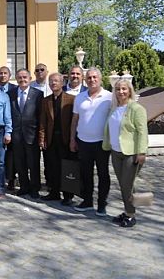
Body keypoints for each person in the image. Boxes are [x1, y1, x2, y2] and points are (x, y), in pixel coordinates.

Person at [102, 79, 148, 228]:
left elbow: (142, 132)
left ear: (129, 90)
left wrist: (141, 152)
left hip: (131, 153)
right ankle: (134, 207)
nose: (121, 92)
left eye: (124, 89)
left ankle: (130, 215)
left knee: (126, 185)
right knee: (125, 184)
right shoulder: (114, 108)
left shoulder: (136, 109)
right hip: (116, 152)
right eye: (118, 89)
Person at [70, 68, 112, 215]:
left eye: (94, 77)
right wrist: (72, 139)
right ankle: (87, 201)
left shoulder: (109, 97)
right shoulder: (79, 98)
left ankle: (102, 203)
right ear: (85, 80)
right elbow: (75, 120)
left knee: (103, 174)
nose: (92, 80)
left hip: (102, 142)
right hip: (83, 141)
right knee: (85, 173)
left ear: (100, 79)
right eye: (89, 78)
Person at [39, 72, 77, 204]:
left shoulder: (71, 99)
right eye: (51, 81)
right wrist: (42, 138)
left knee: (67, 167)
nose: (53, 83)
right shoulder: (46, 101)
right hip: (51, 139)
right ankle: (54, 192)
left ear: (62, 83)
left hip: (65, 139)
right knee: (52, 167)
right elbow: (43, 122)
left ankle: (68, 196)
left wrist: (74, 139)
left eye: (56, 81)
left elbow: (74, 120)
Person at [8, 69, 43, 198]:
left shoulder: (38, 94)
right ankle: (24, 186)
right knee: (20, 163)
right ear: (16, 79)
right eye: (20, 77)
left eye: (25, 77)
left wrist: (40, 136)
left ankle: (35, 188)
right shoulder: (10, 93)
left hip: (31, 135)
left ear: (29, 78)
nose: (22, 79)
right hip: (16, 135)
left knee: (33, 164)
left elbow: (40, 116)